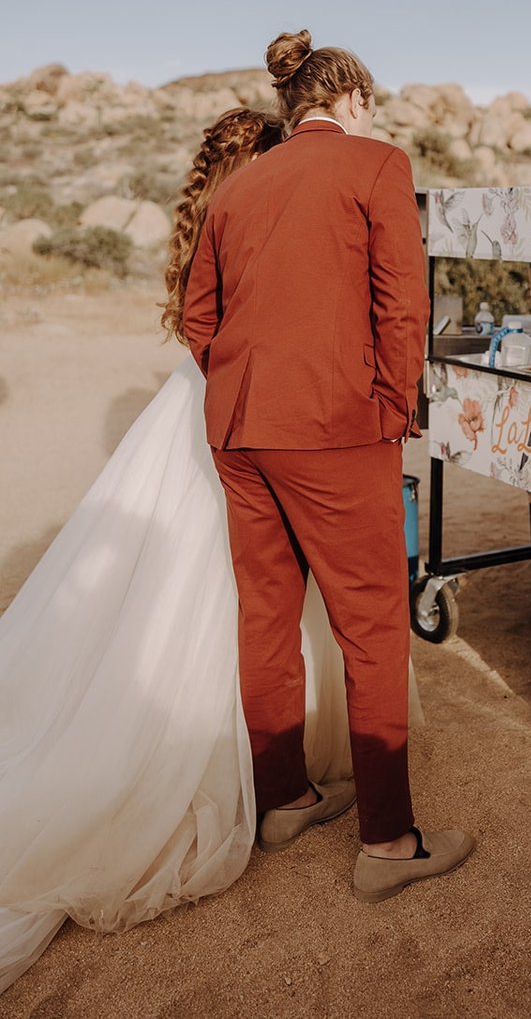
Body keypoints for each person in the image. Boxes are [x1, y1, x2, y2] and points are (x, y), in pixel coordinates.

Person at [0, 108, 367, 995]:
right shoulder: (272, 217)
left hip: (199, 404)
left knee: (220, 595)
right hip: (253, 415)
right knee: (239, 594)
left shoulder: (216, 215)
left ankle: (281, 772)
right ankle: (267, 775)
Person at [183, 31, 474, 903]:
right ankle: (389, 842)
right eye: (368, 102)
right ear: (351, 98)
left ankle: (283, 800)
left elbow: (200, 316)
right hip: (334, 428)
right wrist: (389, 406)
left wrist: (243, 385)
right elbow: (403, 302)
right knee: (374, 625)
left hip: (239, 428)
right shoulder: (376, 164)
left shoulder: (238, 187)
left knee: (266, 615)